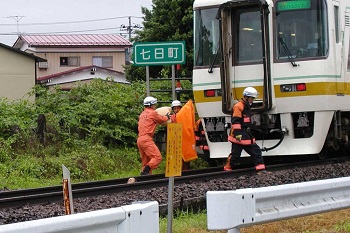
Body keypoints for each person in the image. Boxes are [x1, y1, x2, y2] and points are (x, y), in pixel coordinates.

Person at [224, 87, 267, 174]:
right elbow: (235, 121)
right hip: (238, 135)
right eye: (252, 98)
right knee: (235, 156)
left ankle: (261, 170)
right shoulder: (239, 106)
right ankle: (227, 170)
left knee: (256, 151)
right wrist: (238, 135)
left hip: (246, 134)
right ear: (246, 97)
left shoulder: (246, 106)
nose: (253, 100)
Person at [137, 96, 170, 175]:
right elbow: (161, 119)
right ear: (151, 105)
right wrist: (167, 117)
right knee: (157, 157)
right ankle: (146, 170)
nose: (155, 106)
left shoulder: (142, 114)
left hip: (140, 140)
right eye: (154, 104)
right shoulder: (152, 113)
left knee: (145, 161)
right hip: (146, 139)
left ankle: (145, 178)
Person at [170, 100, 191, 171]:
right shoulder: (172, 117)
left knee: (186, 156)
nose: (176, 110)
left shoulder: (185, 116)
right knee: (178, 157)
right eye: (175, 108)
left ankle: (186, 171)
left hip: (184, 139)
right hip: (176, 139)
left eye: (178, 108)